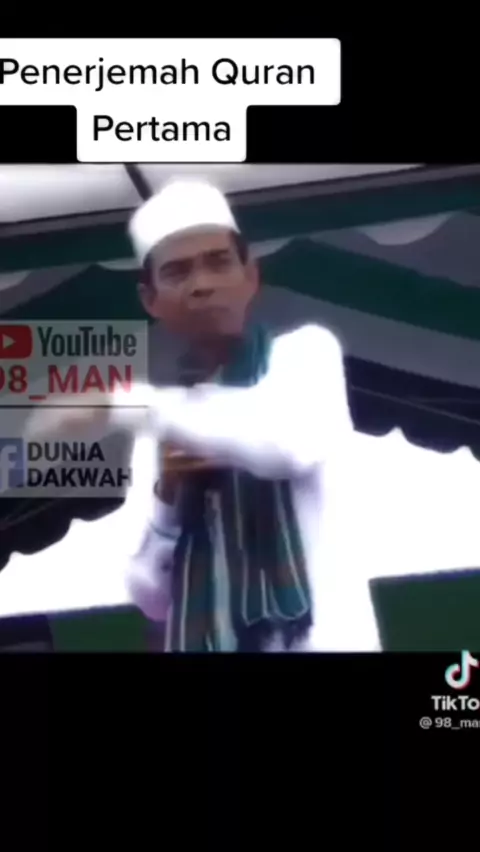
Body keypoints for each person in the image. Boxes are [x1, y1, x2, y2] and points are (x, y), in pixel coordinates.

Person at [28, 178, 355, 652]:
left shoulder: (303, 355)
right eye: (178, 272)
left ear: (250, 275)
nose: (202, 285)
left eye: (218, 262)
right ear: (151, 300)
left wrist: (119, 402)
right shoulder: (165, 423)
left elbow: (286, 446)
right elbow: (150, 597)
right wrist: (168, 495)